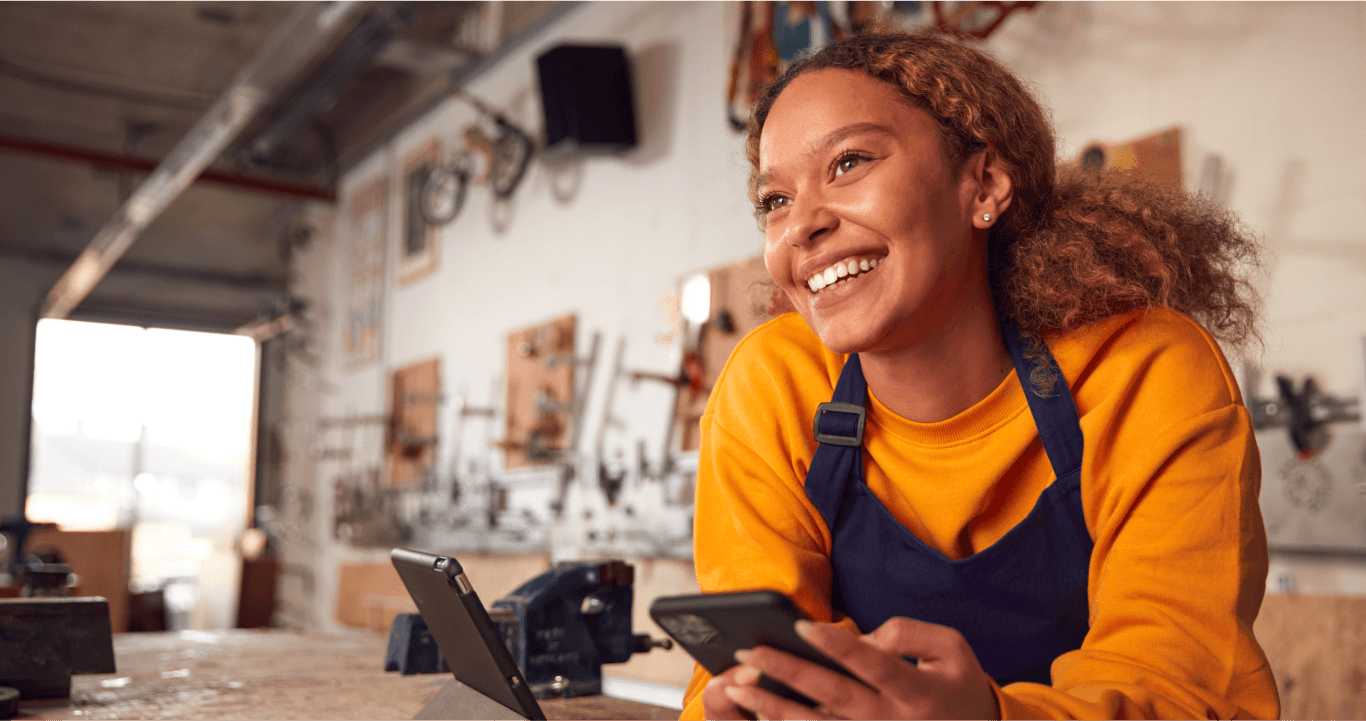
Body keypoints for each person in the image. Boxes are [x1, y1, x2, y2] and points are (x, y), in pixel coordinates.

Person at [680, 29, 1278, 721]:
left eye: (848, 162)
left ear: (984, 184)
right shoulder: (770, 385)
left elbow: (1184, 687)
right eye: (774, 201)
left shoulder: (1143, 368)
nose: (801, 226)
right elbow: (741, 666)